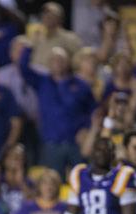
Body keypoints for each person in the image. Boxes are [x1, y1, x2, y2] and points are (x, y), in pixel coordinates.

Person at [20, 41, 96, 176]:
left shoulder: (81, 85)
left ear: (68, 62)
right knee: (50, 182)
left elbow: (94, 111)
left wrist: (87, 129)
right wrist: (29, 46)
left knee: (82, 180)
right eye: (54, 59)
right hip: (51, 144)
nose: (58, 62)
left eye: (61, 59)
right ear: (48, 63)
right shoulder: (42, 81)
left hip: (76, 144)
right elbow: (23, 69)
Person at [29, 2, 82, 71]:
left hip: (58, 78)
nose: (47, 16)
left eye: (51, 14)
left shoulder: (69, 38)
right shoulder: (37, 37)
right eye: (45, 14)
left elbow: (79, 61)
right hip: (37, 77)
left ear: (60, 18)